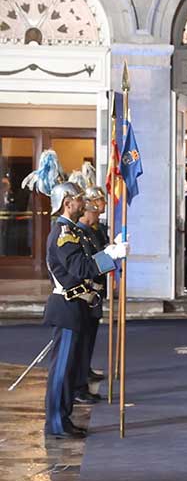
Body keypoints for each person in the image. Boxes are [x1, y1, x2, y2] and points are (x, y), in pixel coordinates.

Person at [42, 182, 128, 439]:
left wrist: (109, 254)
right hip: (67, 308)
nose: (84, 204)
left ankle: (63, 418)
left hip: (77, 306)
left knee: (70, 369)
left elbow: (87, 264)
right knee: (62, 371)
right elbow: (81, 268)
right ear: (68, 203)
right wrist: (110, 256)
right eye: (79, 199)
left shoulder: (72, 232)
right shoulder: (63, 233)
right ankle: (56, 422)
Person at [71, 185, 110, 403]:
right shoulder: (78, 233)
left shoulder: (92, 231)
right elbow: (87, 266)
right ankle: (78, 385)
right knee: (79, 344)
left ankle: (82, 376)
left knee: (88, 340)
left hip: (94, 292)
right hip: (83, 295)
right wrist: (109, 258)